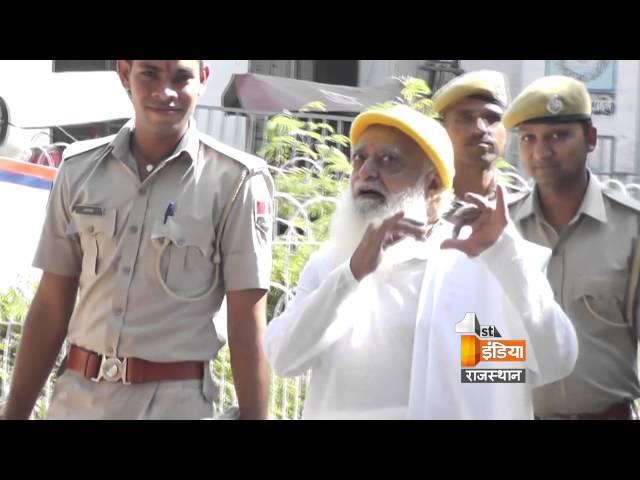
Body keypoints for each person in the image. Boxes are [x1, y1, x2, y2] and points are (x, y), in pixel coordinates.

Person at [264, 104, 577, 419]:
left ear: (432, 186)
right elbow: (284, 359)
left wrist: (506, 255)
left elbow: (554, 360)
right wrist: (350, 275)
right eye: (360, 158)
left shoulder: (485, 261)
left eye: (388, 160)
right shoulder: (332, 264)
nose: (366, 172)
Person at [3, 60, 273, 420]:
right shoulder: (78, 170)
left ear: (203, 79)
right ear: (124, 73)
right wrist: (14, 412)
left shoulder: (235, 182)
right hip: (77, 403)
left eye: (181, 77)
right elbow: (52, 305)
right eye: (150, 74)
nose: (166, 92)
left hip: (175, 407)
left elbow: (247, 321)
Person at [504, 75, 640, 420]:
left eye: (558, 136)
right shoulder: (501, 231)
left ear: (591, 138)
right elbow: (478, 349)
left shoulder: (631, 229)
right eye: (528, 138)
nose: (541, 152)